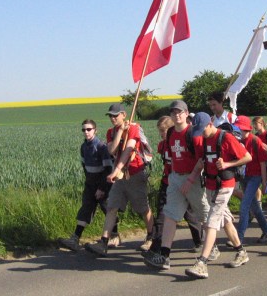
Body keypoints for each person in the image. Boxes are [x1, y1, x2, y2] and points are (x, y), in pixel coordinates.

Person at [144, 101, 212, 271]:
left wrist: (190, 179)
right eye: (173, 113)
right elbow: (172, 157)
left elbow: (201, 159)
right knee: (170, 215)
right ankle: (164, 256)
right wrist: (173, 177)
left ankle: (212, 247)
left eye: (180, 112)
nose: (176, 115)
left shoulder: (193, 134)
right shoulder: (171, 133)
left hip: (193, 179)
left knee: (205, 215)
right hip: (176, 178)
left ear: (187, 113)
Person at [185, 112, 252, 279]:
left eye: (202, 130)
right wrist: (191, 179)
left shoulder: (226, 138)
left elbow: (247, 157)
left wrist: (228, 164)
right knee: (225, 219)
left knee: (212, 222)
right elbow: (202, 162)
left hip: (225, 185)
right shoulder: (203, 138)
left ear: (210, 124)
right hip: (210, 185)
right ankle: (241, 252)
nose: (200, 134)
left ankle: (202, 263)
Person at [85, 103, 154, 255]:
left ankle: (151, 236)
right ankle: (103, 242)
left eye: (115, 115)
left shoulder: (134, 129)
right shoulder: (112, 132)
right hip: (120, 176)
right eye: (110, 115)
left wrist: (116, 170)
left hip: (135, 173)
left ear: (123, 114)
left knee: (142, 208)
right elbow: (111, 150)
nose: (112, 118)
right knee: (112, 207)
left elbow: (128, 151)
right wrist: (120, 131)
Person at [147, 116, 202, 256]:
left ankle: (199, 240)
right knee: (162, 214)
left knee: (190, 214)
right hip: (167, 182)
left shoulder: (179, 142)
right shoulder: (162, 145)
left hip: (182, 181)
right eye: (160, 132)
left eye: (164, 131)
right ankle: (156, 247)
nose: (162, 134)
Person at [59, 119, 115, 251]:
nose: (86, 132)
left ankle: (113, 236)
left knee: (107, 209)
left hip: (103, 182)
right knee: (86, 208)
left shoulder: (101, 147)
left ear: (95, 130)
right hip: (90, 183)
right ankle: (75, 239)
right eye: (83, 130)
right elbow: (84, 166)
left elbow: (108, 169)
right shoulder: (84, 147)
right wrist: (89, 183)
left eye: (89, 129)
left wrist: (102, 188)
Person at [234, 115, 267, 244]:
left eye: (241, 129)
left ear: (247, 130)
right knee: (254, 207)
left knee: (244, 206)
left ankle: (238, 238)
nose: (239, 131)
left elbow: (262, 163)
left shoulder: (255, 141)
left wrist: (263, 182)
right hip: (244, 177)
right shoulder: (238, 141)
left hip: (255, 177)